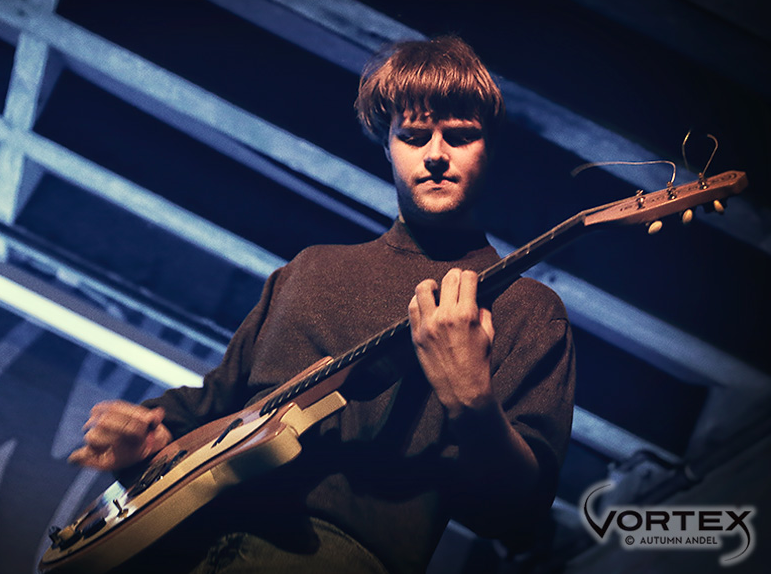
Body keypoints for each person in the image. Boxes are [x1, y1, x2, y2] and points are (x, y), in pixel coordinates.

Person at [69, 35, 576, 574]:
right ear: (387, 146)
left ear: (489, 149)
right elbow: (219, 399)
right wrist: (152, 434)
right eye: (413, 135)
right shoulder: (309, 269)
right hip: (183, 543)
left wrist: (472, 402)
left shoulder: (527, 309)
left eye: (460, 136)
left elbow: (520, 512)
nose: (434, 155)